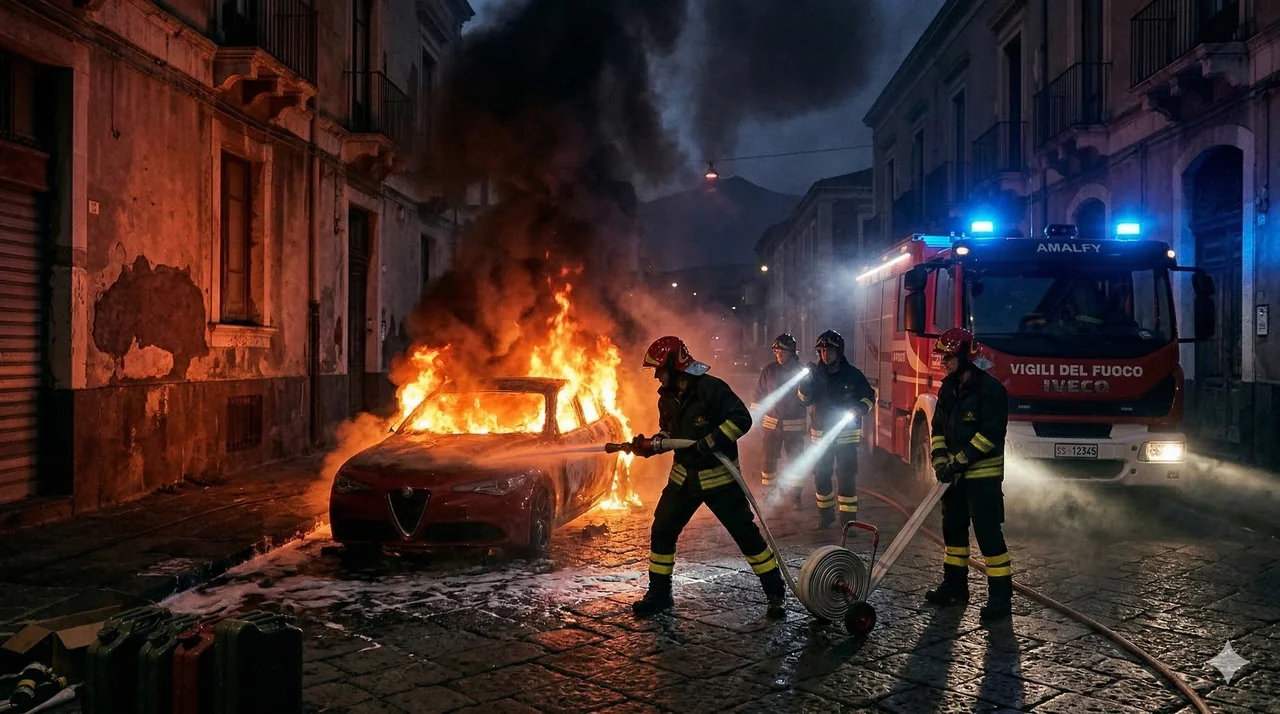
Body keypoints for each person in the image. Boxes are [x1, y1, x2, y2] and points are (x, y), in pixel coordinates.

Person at [627, 336, 787, 619]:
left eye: (658, 370)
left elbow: (742, 419)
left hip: (720, 481)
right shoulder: (667, 398)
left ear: (675, 367)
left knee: (747, 537)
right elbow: (670, 436)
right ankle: (660, 594)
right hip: (684, 481)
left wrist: (711, 440)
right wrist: (651, 446)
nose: (655, 376)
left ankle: (776, 593)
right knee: (662, 530)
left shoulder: (712, 389)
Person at [925, 328, 1013, 620]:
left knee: (988, 537)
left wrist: (959, 461)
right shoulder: (947, 388)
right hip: (955, 478)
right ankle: (955, 587)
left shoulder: (991, 390)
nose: (943, 362)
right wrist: (940, 461)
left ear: (965, 356)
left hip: (982, 479)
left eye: (948, 357)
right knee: (953, 533)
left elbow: (989, 436)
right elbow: (938, 429)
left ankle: (1000, 599)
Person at [797, 330, 874, 530]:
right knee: (821, 477)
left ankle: (848, 522)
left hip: (846, 437)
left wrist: (861, 407)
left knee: (846, 478)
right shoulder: (815, 375)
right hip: (820, 436)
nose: (825, 354)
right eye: (821, 350)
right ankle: (826, 516)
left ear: (839, 352)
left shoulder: (853, 375)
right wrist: (805, 383)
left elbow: (868, 396)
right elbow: (805, 401)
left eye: (829, 350)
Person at [753, 333, 809, 507]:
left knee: (795, 462)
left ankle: (795, 497)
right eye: (776, 351)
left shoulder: (801, 372)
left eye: (782, 351)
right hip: (771, 426)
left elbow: (807, 399)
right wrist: (755, 418)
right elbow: (759, 394)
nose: (778, 354)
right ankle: (769, 495)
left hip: (794, 427)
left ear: (792, 352)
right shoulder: (769, 371)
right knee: (767, 461)